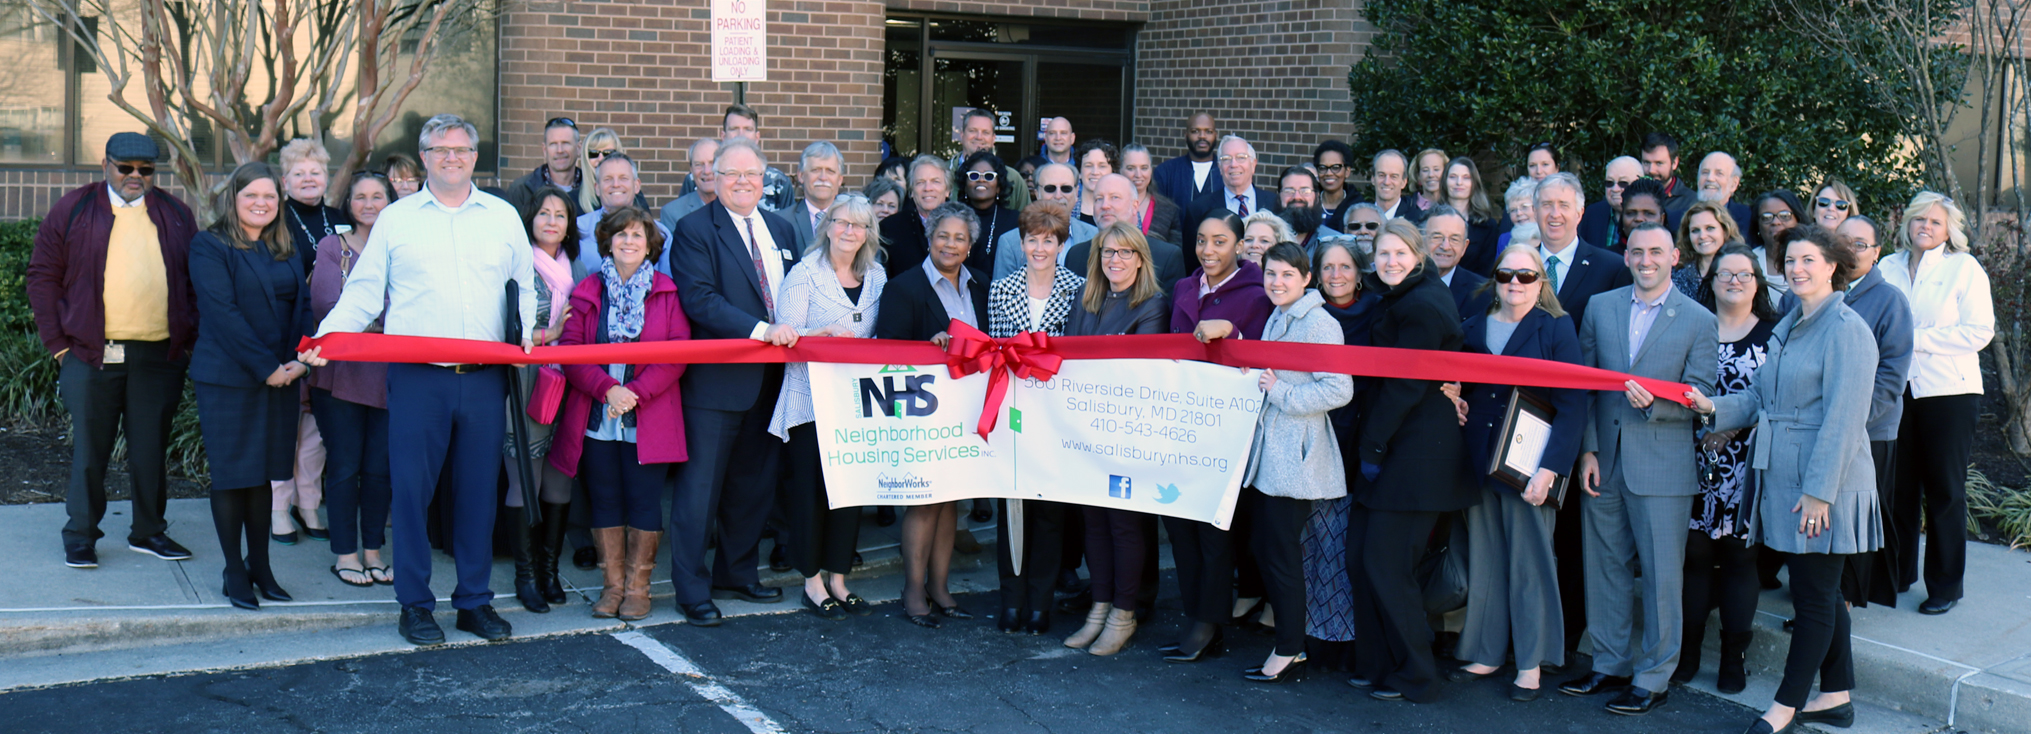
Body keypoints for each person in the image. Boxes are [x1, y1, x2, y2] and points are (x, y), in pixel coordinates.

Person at [303, 113, 537, 646]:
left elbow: (524, 286)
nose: (451, 157)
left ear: (475, 157)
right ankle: (415, 605)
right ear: (424, 156)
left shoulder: (501, 217)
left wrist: (528, 332)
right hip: (416, 380)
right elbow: (363, 292)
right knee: (410, 493)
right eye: (439, 149)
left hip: (483, 380)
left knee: (478, 494)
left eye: (461, 149)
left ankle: (474, 602)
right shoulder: (398, 219)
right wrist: (327, 337)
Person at [1687, 225, 1882, 734]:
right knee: (1819, 587)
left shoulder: (1847, 329)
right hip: (1787, 476)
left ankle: (1785, 706)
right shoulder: (1793, 321)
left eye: (1808, 260)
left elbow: (1844, 419)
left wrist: (1819, 494)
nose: (1796, 269)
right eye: (1790, 260)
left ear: (1832, 266)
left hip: (1823, 482)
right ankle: (1835, 694)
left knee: (1814, 596)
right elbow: (1759, 398)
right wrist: (1713, 407)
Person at [1560, 223, 1718, 715]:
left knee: (1659, 576)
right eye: (1636, 251)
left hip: (1663, 465)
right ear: (1624, 256)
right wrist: (1586, 449)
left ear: (1674, 256)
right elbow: (1583, 386)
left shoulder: (1697, 319)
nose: (1645, 259)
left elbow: (1698, 394)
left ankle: (1653, 676)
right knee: (1603, 567)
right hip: (1603, 459)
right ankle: (1608, 664)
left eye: (1656, 251)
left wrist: (1656, 405)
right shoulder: (1601, 307)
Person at [29, 131, 199, 569]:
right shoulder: (75, 208)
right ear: (105, 164)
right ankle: (81, 535)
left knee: (149, 450)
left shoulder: (176, 213)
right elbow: (43, 276)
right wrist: (59, 347)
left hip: (159, 357)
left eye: (146, 169)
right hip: (89, 354)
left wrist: (185, 344)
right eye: (126, 168)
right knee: (91, 450)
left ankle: (148, 531)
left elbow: (194, 280)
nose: (136, 176)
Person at [666, 137, 801, 626]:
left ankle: (738, 573)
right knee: (699, 492)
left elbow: (794, 295)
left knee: (753, 485)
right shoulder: (694, 229)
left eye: (752, 174)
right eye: (732, 174)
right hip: (716, 384)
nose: (743, 182)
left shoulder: (783, 228)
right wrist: (764, 331)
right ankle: (692, 588)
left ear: (765, 180)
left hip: (772, 381)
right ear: (714, 179)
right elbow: (699, 300)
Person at [1347, 219, 1474, 703]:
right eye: (1383, 254)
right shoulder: (1401, 297)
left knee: (1386, 566)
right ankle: (1377, 662)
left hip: (1415, 457)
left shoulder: (1421, 303)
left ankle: (1417, 674)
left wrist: (1372, 448)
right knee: (1362, 558)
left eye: (1400, 253)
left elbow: (1404, 386)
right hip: (1394, 451)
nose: (1391, 262)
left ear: (1418, 256)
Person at [1454, 244, 1587, 702]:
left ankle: (1530, 662)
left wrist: (1550, 470)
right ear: (1494, 277)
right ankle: (1487, 653)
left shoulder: (1555, 328)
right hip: (1479, 464)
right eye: (1507, 274)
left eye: (1527, 276)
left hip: (1529, 468)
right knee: (1487, 558)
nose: (1515, 283)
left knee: (1530, 564)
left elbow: (1573, 404)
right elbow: (1458, 387)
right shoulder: (1470, 327)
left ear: (1541, 283)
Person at [548, 206, 689, 622]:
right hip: (596, 413)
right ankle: (612, 589)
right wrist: (607, 388)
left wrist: (634, 394)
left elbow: (677, 356)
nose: (629, 242)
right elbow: (571, 350)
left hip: (648, 414)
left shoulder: (666, 291)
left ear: (650, 246)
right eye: (621, 235)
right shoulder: (588, 289)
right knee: (605, 500)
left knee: (644, 502)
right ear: (607, 240)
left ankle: (638, 589)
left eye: (638, 236)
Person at [190, 162, 310, 610]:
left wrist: (302, 360)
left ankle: (260, 566)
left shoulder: (285, 245)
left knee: (262, 476)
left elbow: (303, 307)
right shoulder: (210, 245)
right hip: (229, 379)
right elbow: (223, 315)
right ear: (233, 199)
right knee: (232, 475)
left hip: (282, 375)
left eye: (269, 197)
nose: (261, 203)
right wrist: (268, 367)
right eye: (250, 196)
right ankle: (233, 571)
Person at [1239, 241, 1354, 683]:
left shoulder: (1319, 323)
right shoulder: (1278, 315)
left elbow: (1338, 390)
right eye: (1270, 273)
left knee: (1281, 553)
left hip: (1298, 457)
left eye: (1287, 274)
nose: (1277, 282)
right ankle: (1290, 643)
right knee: (1271, 550)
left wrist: (1279, 392)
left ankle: (1290, 648)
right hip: (1274, 453)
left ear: (1307, 278)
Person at [1161, 210, 1271, 662]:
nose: (1208, 250)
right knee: (1179, 522)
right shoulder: (1185, 288)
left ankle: (1210, 622)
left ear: (1239, 246)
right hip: (1180, 420)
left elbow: (1267, 351)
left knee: (1213, 529)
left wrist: (1235, 333)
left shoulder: (1257, 292)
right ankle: (1196, 614)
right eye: (1202, 241)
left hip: (1226, 428)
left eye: (1220, 241)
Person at [1669, 245, 1780, 694]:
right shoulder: (1692, 328)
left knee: (1740, 559)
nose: (1734, 281)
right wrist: (1704, 427)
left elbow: (1777, 395)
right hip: (1690, 458)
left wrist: (1728, 427)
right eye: (1725, 274)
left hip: (1748, 463)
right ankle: (1689, 652)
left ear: (1757, 282)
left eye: (1744, 274)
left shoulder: (1776, 335)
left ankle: (1733, 657)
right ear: (1709, 282)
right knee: (1693, 559)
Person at [770, 195, 885, 622]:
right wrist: (820, 333)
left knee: (848, 493)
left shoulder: (877, 276)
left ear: (868, 233)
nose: (849, 232)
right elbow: (786, 335)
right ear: (827, 226)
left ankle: (838, 578)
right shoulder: (803, 274)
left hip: (856, 405)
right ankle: (812, 582)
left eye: (859, 225)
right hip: (809, 402)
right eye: (842, 223)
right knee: (810, 494)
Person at [874, 202, 989, 629]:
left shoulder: (981, 286)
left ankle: (940, 587)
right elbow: (887, 351)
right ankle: (913, 589)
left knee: (951, 500)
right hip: (920, 413)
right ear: (929, 237)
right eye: (943, 235)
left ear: (970, 244)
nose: (951, 244)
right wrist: (929, 345)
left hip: (965, 408)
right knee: (924, 500)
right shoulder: (903, 287)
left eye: (960, 238)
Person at [1880, 191, 1994, 616]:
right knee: (1898, 488)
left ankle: (1945, 586)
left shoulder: (1963, 268)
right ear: (1907, 223)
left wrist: (1916, 339)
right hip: (1897, 391)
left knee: (1945, 490)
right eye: (1919, 220)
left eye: (1936, 222)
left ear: (1949, 231)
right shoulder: (1887, 266)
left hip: (1950, 393)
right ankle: (1896, 573)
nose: (1925, 227)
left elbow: (1980, 331)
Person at [1062, 222, 1170, 655]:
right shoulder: (1086, 299)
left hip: (1126, 432)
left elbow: (1133, 371)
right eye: (1108, 252)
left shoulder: (1152, 304)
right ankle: (1099, 607)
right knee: (1093, 521)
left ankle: (1124, 613)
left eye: (1125, 253)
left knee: (1123, 524)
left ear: (1141, 259)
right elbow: (1067, 355)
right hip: (1085, 427)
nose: (1115, 260)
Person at [986, 201, 1086, 634]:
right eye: (1033, 239)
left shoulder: (1080, 289)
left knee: (1050, 513)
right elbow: (994, 352)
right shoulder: (1000, 289)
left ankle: (1041, 603)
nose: (1040, 247)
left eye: (1049, 239)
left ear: (1062, 244)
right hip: (1013, 411)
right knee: (1012, 509)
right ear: (1021, 243)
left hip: (1058, 415)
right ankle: (1012, 600)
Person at [1807, 215, 1913, 609]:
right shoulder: (1820, 291)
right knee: (1823, 510)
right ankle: (1822, 596)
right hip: (1818, 427)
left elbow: (1891, 375)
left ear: (1877, 252)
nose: (1852, 250)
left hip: (1872, 429)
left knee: (1857, 515)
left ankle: (1845, 601)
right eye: (1844, 241)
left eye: (1861, 244)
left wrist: (1851, 421)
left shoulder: (1889, 301)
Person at [307, 171, 397, 589]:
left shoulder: (405, 247)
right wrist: (385, 317)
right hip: (340, 376)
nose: (369, 204)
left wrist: (365, 315)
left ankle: (374, 550)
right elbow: (328, 305)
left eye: (378, 196)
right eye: (360, 197)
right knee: (344, 467)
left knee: (380, 468)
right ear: (350, 205)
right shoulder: (333, 248)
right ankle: (345, 553)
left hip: (392, 376)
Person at [501, 185, 588, 612]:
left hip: (571, 377)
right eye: (544, 213)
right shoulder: (516, 265)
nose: (552, 221)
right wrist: (546, 335)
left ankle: (550, 572)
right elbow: (497, 324)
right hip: (528, 376)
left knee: (559, 475)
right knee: (526, 477)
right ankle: (526, 576)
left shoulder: (581, 266)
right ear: (530, 219)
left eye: (561, 215)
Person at [1307, 238, 1378, 672]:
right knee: (1313, 541)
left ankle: (1345, 634)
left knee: (1344, 543)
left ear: (1359, 271)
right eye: (1327, 267)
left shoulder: (1376, 313)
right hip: (1314, 435)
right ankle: (1315, 631)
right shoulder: (1307, 314)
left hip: (1359, 442)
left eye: (1345, 266)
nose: (1336, 275)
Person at [272, 138, 339, 544]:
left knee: (315, 427)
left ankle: (309, 502)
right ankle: (279, 506)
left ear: (327, 177)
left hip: (332, 336)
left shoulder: (339, 217)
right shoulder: (274, 218)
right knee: (286, 423)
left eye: (315, 171)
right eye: (299, 173)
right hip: (287, 332)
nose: (308, 178)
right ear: (285, 181)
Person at [1061, 174, 1189, 293]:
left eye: (1114, 197)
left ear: (1135, 206)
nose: (1105, 205)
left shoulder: (1166, 257)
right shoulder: (1076, 255)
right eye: (1098, 199)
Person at [1536, 173, 1632, 331]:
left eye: (1564, 205)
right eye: (1547, 204)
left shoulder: (1611, 268)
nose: (1555, 214)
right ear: (1535, 211)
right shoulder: (1518, 265)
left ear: (1579, 213)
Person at [678, 105, 794, 212]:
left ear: (757, 137)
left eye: (748, 129)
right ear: (723, 136)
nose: (740, 134)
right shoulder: (699, 178)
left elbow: (788, 226)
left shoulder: (779, 181)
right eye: (734, 129)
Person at [993, 163, 1097, 279]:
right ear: (1037, 193)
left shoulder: (1095, 236)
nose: (1058, 195)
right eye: (1050, 188)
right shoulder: (1009, 242)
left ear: (1076, 192)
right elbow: (1002, 292)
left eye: (1066, 189)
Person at [576, 153, 673, 275]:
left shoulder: (660, 233)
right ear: (597, 188)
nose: (616, 184)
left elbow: (667, 284)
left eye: (623, 178)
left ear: (637, 185)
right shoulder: (578, 228)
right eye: (608, 179)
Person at [1182, 136, 1279, 236]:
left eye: (1241, 157)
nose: (1233, 164)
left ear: (1253, 164)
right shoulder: (1198, 209)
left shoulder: (1275, 203)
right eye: (1226, 159)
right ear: (1220, 167)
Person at [880, 155, 950, 279]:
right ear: (911, 191)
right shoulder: (890, 228)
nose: (928, 188)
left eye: (935, 181)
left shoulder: (964, 227)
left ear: (947, 190)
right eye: (920, 182)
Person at [948, 108, 1032, 211]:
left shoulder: (1012, 178)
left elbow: (1026, 220)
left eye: (985, 132)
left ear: (993, 139)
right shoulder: (943, 173)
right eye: (972, 131)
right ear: (962, 135)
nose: (979, 137)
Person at [1423, 205, 1491, 320]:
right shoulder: (1402, 283)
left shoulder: (1483, 293)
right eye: (1437, 237)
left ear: (1464, 247)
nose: (1445, 246)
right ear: (1422, 241)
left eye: (1454, 239)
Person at [959, 151, 1022, 274]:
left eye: (989, 176)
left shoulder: (1015, 220)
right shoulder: (953, 218)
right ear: (965, 185)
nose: (981, 180)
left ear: (999, 186)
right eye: (974, 176)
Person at [1671, 201, 1743, 302]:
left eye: (1710, 228)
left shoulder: (1743, 269)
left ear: (1725, 230)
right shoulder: (1677, 275)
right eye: (1695, 230)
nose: (1702, 236)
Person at [507, 116, 583, 211]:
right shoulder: (521, 190)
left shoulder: (594, 189)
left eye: (566, 143)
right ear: (544, 149)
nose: (559, 150)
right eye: (553, 144)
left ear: (579, 148)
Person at [575, 127, 652, 215]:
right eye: (594, 153)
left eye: (608, 153)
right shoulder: (573, 199)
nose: (601, 159)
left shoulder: (632, 194)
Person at [1153, 111, 1221, 208]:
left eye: (1208, 131)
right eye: (1195, 131)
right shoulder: (1166, 171)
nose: (1202, 136)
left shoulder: (1226, 170)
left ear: (1216, 135)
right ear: (1186, 135)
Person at [787, 141, 845, 251]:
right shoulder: (782, 222)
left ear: (840, 180)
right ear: (801, 175)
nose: (823, 177)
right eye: (815, 170)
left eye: (830, 171)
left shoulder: (853, 223)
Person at [1749, 190, 1809, 294]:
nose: (1776, 222)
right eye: (1767, 217)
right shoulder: (1748, 261)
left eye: (1785, 216)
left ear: (1798, 219)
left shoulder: (1814, 259)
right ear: (1757, 225)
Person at [1578, 156, 1643, 253]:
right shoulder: (1593, 213)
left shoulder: (1652, 216)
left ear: (1640, 183)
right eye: (1609, 183)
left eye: (1623, 183)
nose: (1615, 189)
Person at [1121, 143, 1180, 240]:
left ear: (1151, 170)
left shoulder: (1168, 210)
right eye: (1131, 168)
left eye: (1144, 168)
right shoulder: (1108, 206)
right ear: (1120, 170)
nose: (1138, 174)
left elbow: (1176, 250)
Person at [660, 138, 720, 233]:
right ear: (691, 169)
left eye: (712, 163)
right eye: (699, 164)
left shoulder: (739, 206)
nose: (707, 171)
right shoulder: (672, 213)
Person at [1276, 166, 1342, 249]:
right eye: (1289, 191)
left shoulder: (1335, 242)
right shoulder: (1264, 240)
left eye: (1305, 191)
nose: (1297, 197)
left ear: (1316, 196)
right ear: (1279, 196)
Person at [1695, 151, 1756, 239]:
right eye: (1705, 172)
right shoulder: (1678, 218)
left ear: (1734, 184)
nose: (1710, 178)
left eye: (1719, 173)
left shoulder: (1749, 218)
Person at [1639, 132, 1696, 216]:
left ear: (1674, 163)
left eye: (1659, 163)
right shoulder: (1634, 196)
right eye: (1646, 163)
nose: (1651, 170)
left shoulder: (1691, 202)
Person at [1315, 139, 1363, 231]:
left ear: (1347, 171)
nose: (1328, 173)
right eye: (1322, 168)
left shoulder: (1358, 206)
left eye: (1335, 167)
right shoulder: (1310, 202)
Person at [1073, 139, 1119, 223]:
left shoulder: (1126, 209)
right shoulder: (1067, 209)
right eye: (1088, 165)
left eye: (1102, 166)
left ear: (1113, 171)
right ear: (1079, 172)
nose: (1095, 172)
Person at [1615, 178, 1669, 247]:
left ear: (1662, 219)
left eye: (1648, 213)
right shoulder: (1606, 257)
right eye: (1631, 213)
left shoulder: (1673, 256)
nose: (1639, 219)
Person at [1369, 149, 1418, 222]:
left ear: (1404, 182)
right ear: (1373, 179)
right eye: (1381, 175)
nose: (1387, 182)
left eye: (1393, 176)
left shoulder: (1416, 219)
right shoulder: (1360, 217)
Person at [1495, 176, 1538, 251]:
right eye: (1513, 210)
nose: (1519, 213)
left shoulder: (1550, 236)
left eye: (1524, 207)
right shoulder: (1504, 240)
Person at [1411, 148, 1448, 212]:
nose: (1431, 175)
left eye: (1436, 169)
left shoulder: (1454, 205)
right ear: (1418, 176)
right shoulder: (1406, 206)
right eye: (1425, 170)